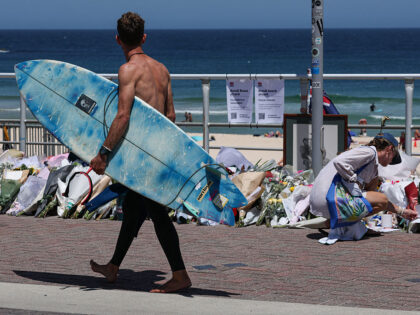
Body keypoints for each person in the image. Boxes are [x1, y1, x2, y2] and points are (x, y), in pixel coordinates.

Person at [89, 12, 191, 293]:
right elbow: (170, 116)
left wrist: (104, 153)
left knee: (157, 214)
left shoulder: (128, 71)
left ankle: (181, 275)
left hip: (143, 159)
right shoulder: (162, 70)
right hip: (158, 153)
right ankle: (113, 267)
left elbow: (122, 116)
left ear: (117, 39)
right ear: (144, 37)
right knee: (134, 210)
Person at [310, 132, 417, 231]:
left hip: (324, 199)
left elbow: (376, 199)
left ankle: (342, 224)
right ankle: (345, 224)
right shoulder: (369, 152)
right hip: (328, 198)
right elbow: (339, 162)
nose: (391, 162)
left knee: (379, 197)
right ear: (389, 149)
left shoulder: (371, 164)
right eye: (393, 157)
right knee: (382, 199)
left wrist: (402, 212)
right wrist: (354, 181)